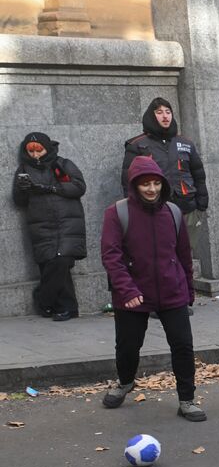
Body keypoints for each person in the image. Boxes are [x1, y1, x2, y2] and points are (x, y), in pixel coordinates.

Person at [99, 157, 203, 421]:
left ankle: (187, 399)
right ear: (135, 185)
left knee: (183, 345)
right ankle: (125, 382)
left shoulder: (173, 212)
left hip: (172, 289)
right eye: (145, 184)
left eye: (156, 183)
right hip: (133, 294)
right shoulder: (117, 213)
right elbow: (111, 256)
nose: (152, 189)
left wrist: (188, 289)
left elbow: (183, 254)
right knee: (127, 346)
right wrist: (127, 290)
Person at [13, 132, 86, 321]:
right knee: (49, 265)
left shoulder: (62, 164)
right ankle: (66, 308)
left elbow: (79, 187)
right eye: (31, 151)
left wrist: (52, 189)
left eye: (39, 150)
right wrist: (23, 189)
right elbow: (19, 200)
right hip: (42, 225)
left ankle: (43, 299)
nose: (35, 155)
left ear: (47, 148)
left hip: (66, 223)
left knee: (61, 261)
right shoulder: (24, 169)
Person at [122, 97, 207, 217]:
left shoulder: (186, 143)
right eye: (159, 112)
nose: (165, 116)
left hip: (187, 211)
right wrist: (134, 210)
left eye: (168, 112)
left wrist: (202, 205)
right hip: (153, 212)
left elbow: (198, 175)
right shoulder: (136, 145)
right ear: (151, 116)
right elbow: (128, 181)